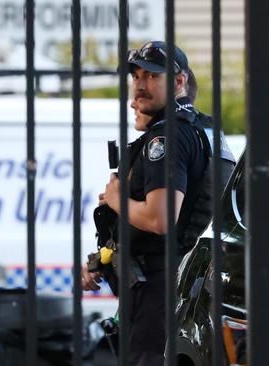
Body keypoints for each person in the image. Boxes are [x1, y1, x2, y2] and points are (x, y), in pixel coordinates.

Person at [82, 41, 229, 365]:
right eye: (136, 76)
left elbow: (161, 218)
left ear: (179, 81)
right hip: (179, 281)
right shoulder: (202, 130)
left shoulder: (168, 138)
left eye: (151, 76)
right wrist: (102, 258)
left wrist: (119, 200)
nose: (139, 85)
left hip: (158, 289)